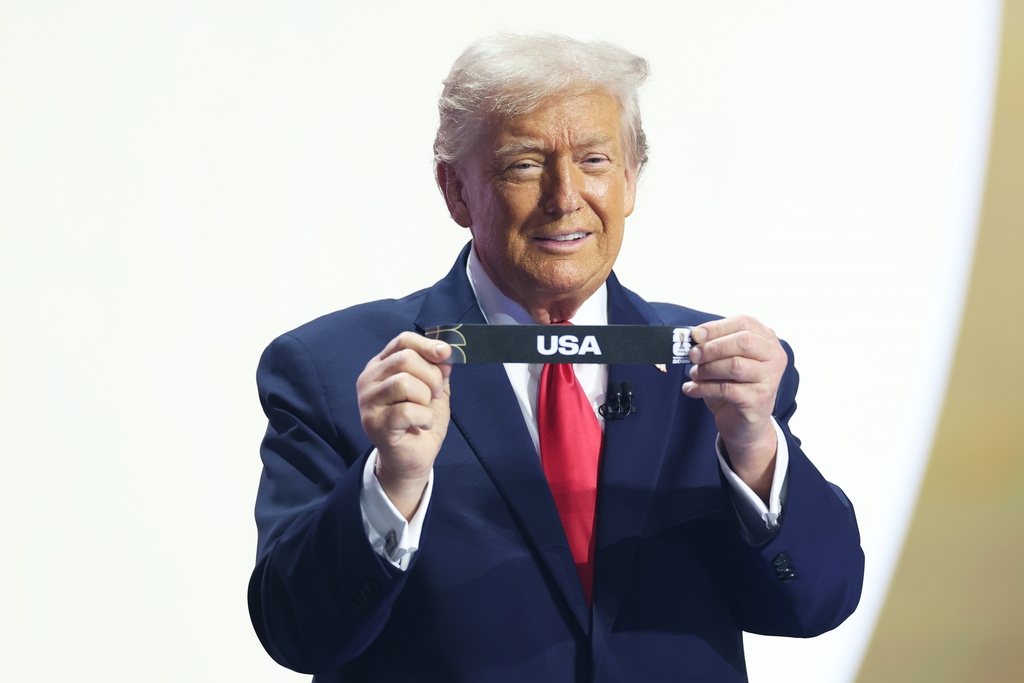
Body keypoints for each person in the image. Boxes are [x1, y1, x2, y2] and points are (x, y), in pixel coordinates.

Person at [248, 32, 864, 682]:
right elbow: (297, 630)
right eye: (522, 163)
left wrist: (757, 451)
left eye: (594, 160)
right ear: (455, 190)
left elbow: (815, 601)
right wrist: (392, 482)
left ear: (630, 181)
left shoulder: (724, 377)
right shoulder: (338, 371)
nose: (564, 195)